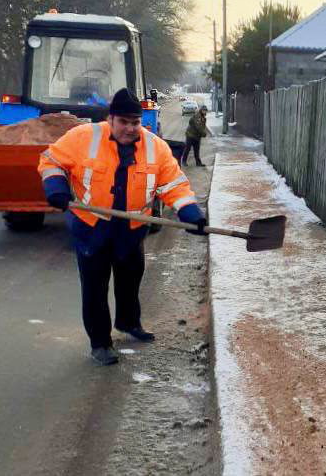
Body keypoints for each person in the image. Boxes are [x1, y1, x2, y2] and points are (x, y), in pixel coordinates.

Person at [38, 88, 208, 366]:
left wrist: (190, 213)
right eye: (124, 122)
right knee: (95, 288)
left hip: (131, 230)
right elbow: (51, 160)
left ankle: (129, 323)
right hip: (92, 228)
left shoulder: (155, 147)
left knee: (131, 279)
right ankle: (100, 342)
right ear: (111, 119)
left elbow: (174, 184)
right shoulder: (83, 137)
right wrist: (55, 185)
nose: (130, 129)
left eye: (135, 122)